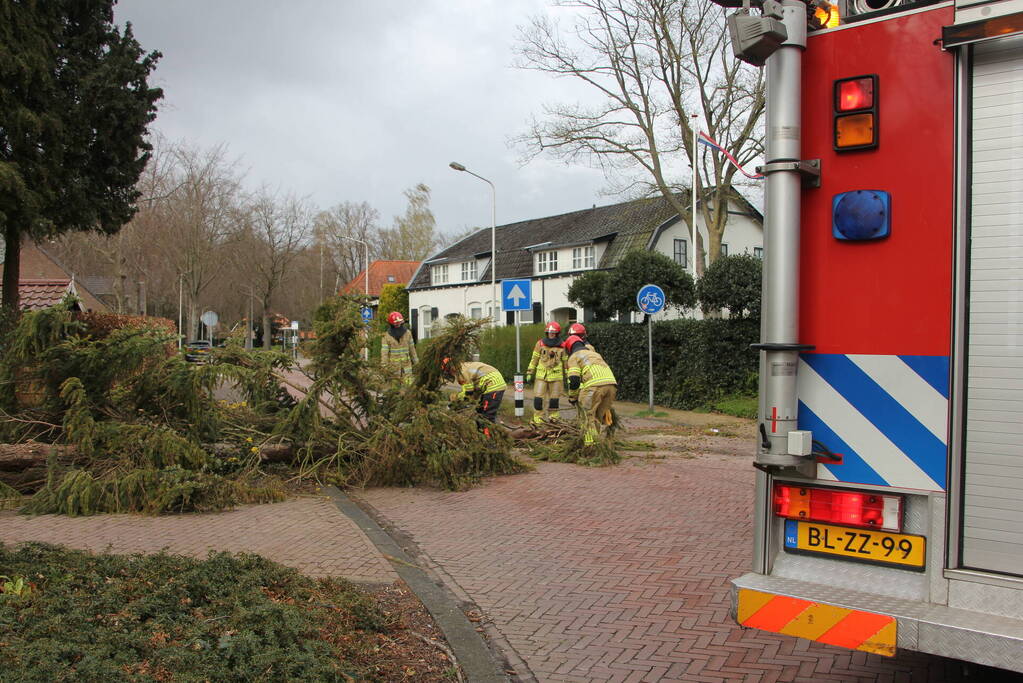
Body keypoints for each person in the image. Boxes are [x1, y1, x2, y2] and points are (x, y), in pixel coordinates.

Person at [564, 334, 617, 447]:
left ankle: (590, 446)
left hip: (594, 387)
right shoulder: (595, 354)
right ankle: (598, 446)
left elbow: (574, 380)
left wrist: (572, 397)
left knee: (587, 417)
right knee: (597, 417)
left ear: (569, 348)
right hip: (611, 385)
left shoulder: (574, 357)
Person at [442, 357, 507, 424]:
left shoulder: (462, 372)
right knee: (480, 412)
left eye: (447, 371)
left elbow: (468, 394)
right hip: (491, 384)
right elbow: (471, 393)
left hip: (493, 386)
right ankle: (487, 427)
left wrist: (454, 404)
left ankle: (488, 430)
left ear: (451, 368)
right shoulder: (464, 367)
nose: (449, 374)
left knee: (486, 417)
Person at [525, 321, 567, 424]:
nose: (551, 334)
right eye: (549, 332)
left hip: (556, 377)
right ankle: (538, 421)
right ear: (546, 333)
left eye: (553, 333)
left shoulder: (563, 345)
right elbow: (534, 358)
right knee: (538, 400)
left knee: (554, 401)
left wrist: (569, 375)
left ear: (557, 333)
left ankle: (554, 420)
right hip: (541, 376)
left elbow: (566, 361)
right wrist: (530, 372)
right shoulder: (540, 344)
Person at [381, 311, 417, 383]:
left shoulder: (408, 333)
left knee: (408, 386)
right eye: (396, 323)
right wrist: (384, 367)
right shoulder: (386, 336)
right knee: (395, 388)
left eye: (399, 322)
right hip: (394, 369)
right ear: (391, 323)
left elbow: (412, 350)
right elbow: (384, 353)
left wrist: (417, 363)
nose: (398, 324)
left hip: (407, 368)